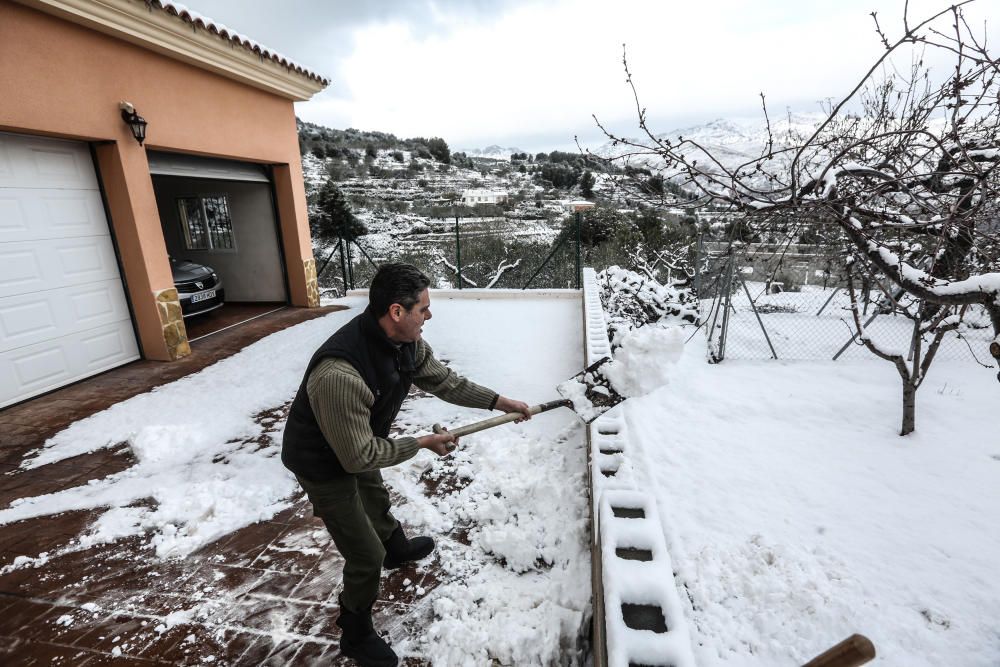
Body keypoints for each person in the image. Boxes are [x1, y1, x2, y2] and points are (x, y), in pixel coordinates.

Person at [281, 263, 531, 667]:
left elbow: (446, 382)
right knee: (363, 555)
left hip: (357, 440)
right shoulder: (340, 373)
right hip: (322, 462)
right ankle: (355, 631)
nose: (429, 317)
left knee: (374, 496)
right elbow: (357, 457)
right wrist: (422, 443)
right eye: (424, 309)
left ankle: (395, 549)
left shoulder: (408, 344)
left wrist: (503, 402)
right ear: (396, 311)